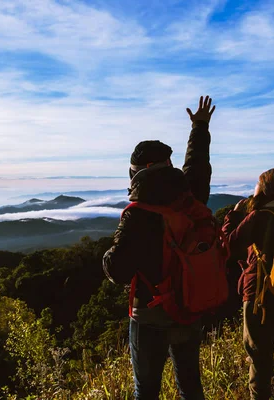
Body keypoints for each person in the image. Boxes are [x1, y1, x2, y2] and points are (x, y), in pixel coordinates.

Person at [102, 96, 216, 400]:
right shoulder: (191, 197)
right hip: (190, 305)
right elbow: (197, 165)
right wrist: (200, 127)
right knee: (190, 386)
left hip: (151, 316)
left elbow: (119, 270)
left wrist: (106, 255)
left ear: (139, 172)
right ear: (167, 166)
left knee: (147, 391)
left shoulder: (139, 214)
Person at [222, 168, 274, 400]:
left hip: (260, 297)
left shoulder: (261, 216)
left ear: (267, 189)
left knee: (259, 359)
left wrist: (233, 217)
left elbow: (227, 248)